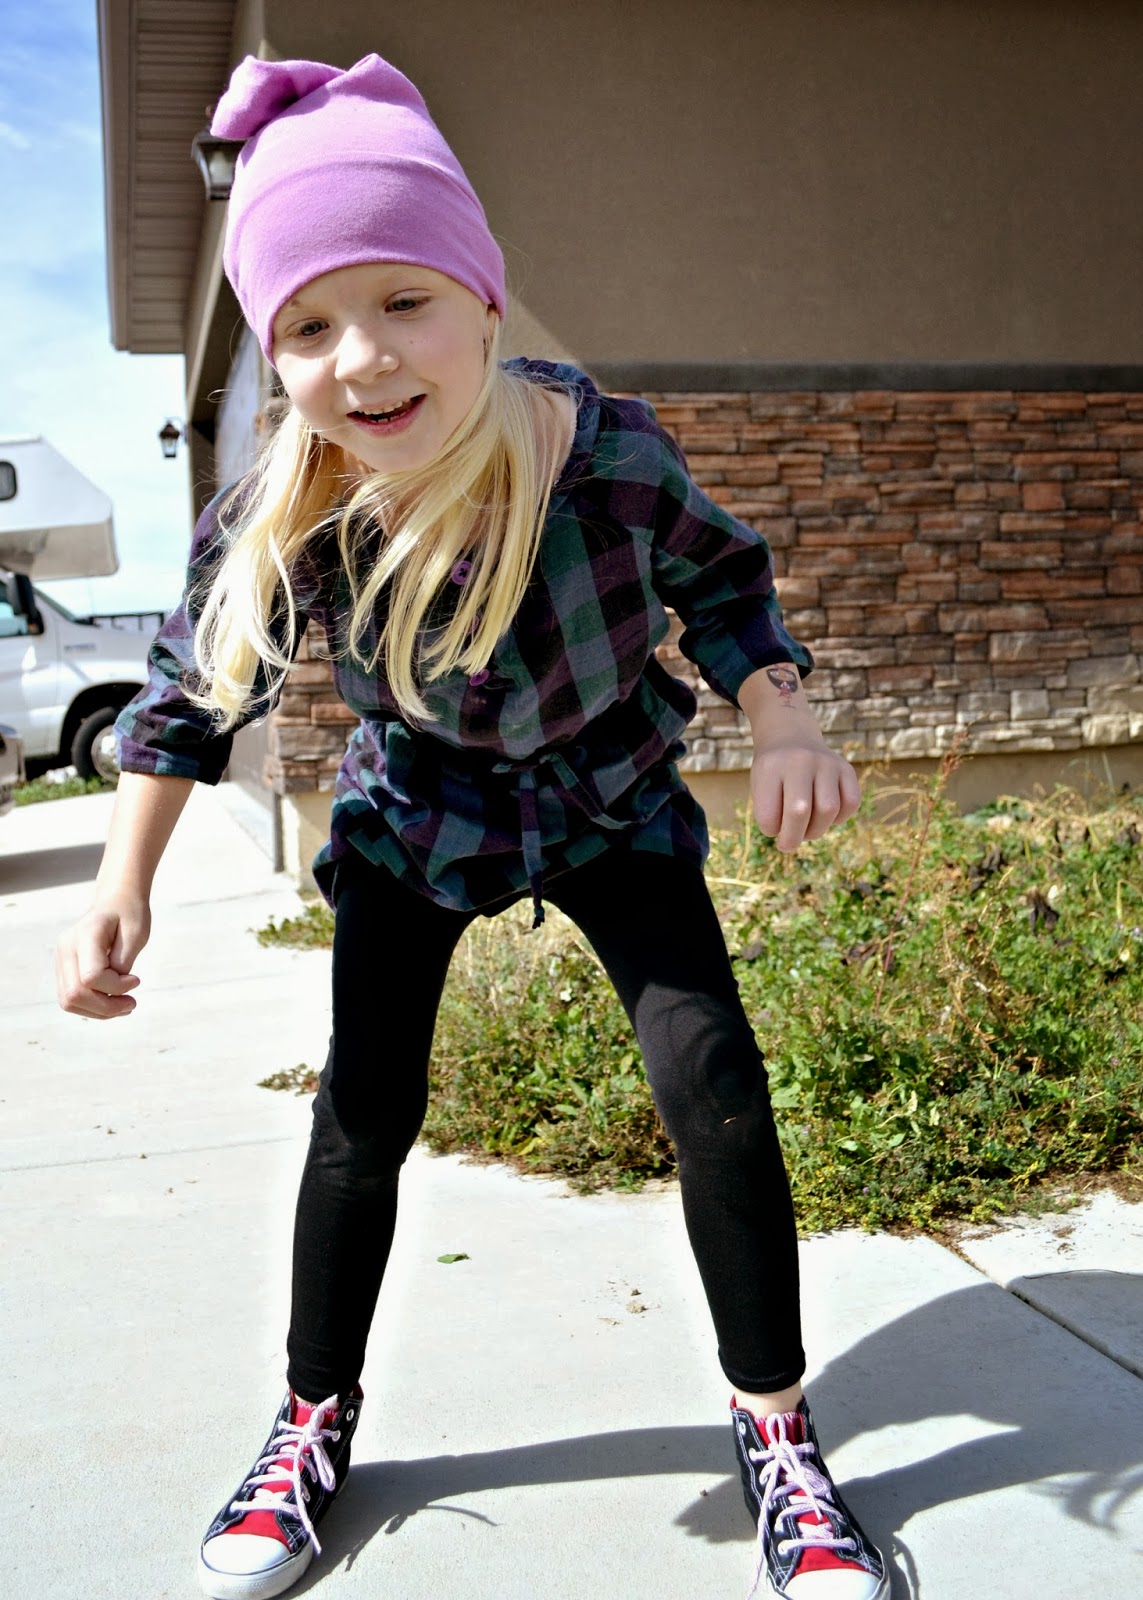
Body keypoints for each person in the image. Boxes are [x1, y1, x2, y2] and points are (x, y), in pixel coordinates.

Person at [55, 52, 886, 1600]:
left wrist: (784, 716)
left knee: (710, 1079)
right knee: (363, 1109)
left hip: (609, 798)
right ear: (275, 354)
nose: (363, 358)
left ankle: (777, 1430)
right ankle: (311, 1417)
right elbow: (193, 693)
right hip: (417, 817)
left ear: (486, 303)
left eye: (404, 301)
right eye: (309, 325)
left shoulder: (606, 458)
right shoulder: (294, 511)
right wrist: (125, 879)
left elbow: (724, 584)